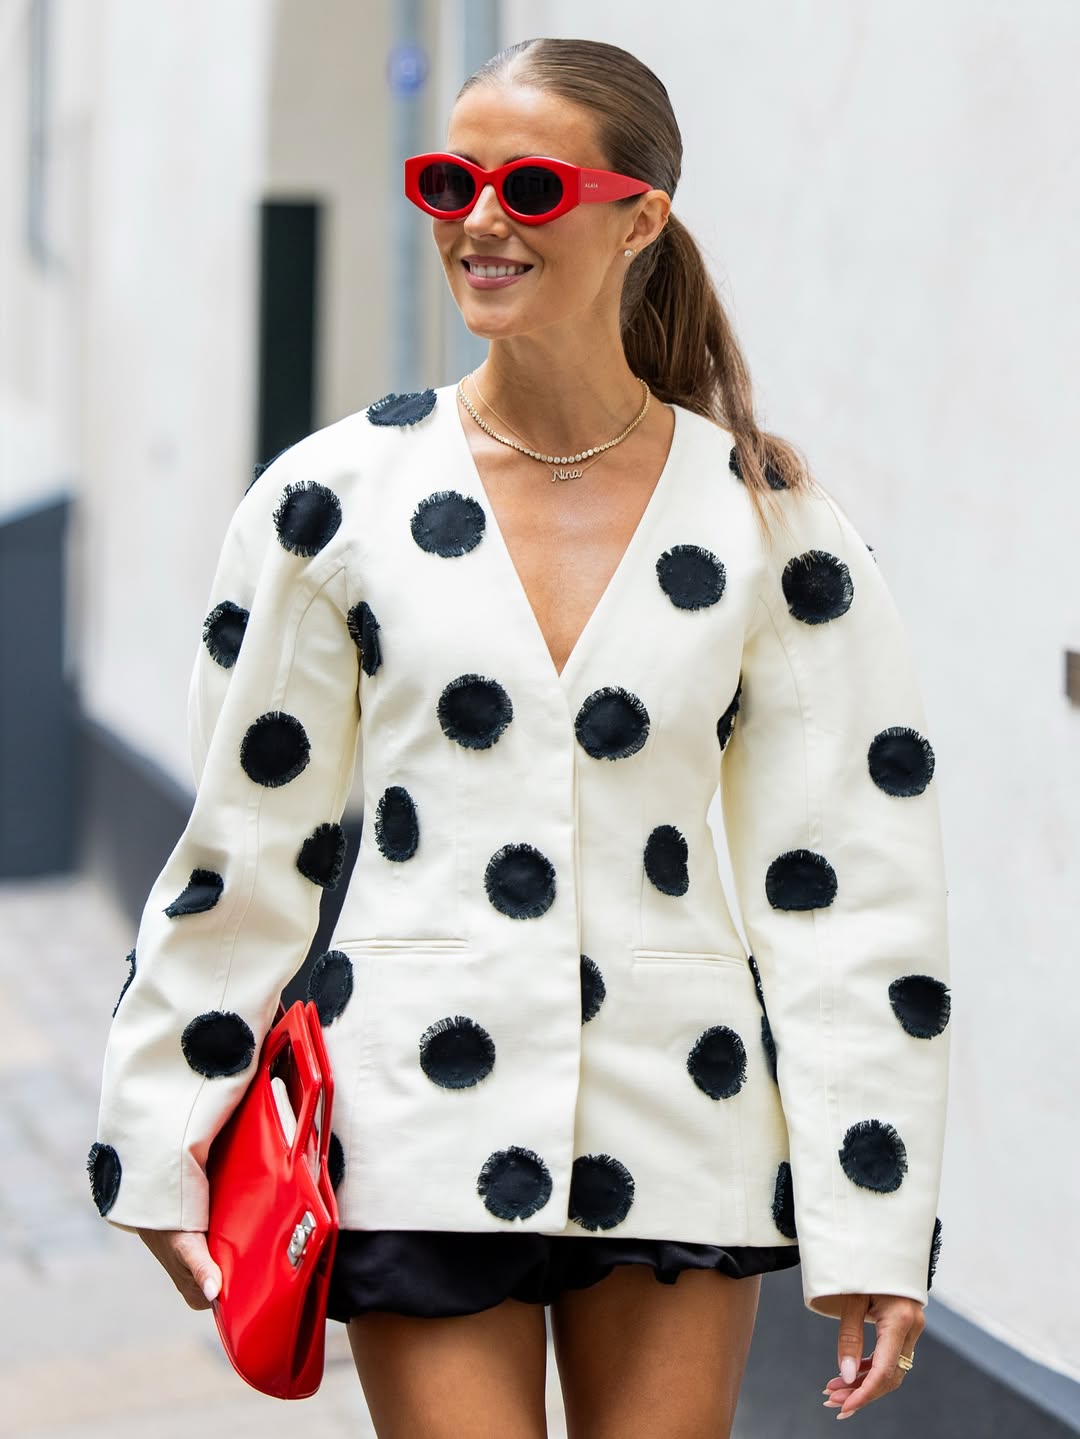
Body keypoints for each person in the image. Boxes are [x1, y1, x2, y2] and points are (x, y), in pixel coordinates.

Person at [90, 36, 950, 1439]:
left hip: (683, 1115)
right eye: (451, 180)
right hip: (412, 1114)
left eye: (532, 187)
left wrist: (877, 1217)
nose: (480, 221)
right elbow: (246, 844)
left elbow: (849, 886)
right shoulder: (333, 498)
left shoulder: (768, 517)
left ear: (642, 218)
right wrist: (162, 1130)